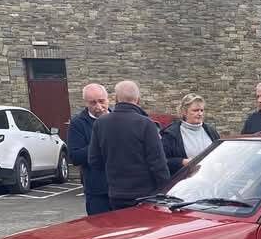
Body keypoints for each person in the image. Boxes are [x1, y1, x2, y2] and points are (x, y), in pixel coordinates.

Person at [88, 80, 170, 210]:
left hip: (116, 193)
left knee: (123, 229)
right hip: (145, 194)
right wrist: (166, 191)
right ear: (138, 99)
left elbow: (94, 161)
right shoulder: (146, 124)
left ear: (115, 98)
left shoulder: (100, 123)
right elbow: (158, 163)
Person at [67, 83, 111, 214]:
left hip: (123, 189)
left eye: (102, 101)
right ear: (86, 103)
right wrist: (99, 144)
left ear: (108, 99)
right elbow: (75, 157)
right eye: (93, 103)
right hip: (97, 191)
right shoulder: (78, 123)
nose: (99, 107)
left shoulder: (119, 117)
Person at [161, 93, 220, 175]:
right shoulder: (170, 134)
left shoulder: (211, 131)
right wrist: (182, 162)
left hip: (210, 179)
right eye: (195, 110)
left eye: (201, 110)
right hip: (186, 182)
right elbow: (162, 161)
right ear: (184, 112)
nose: (200, 114)